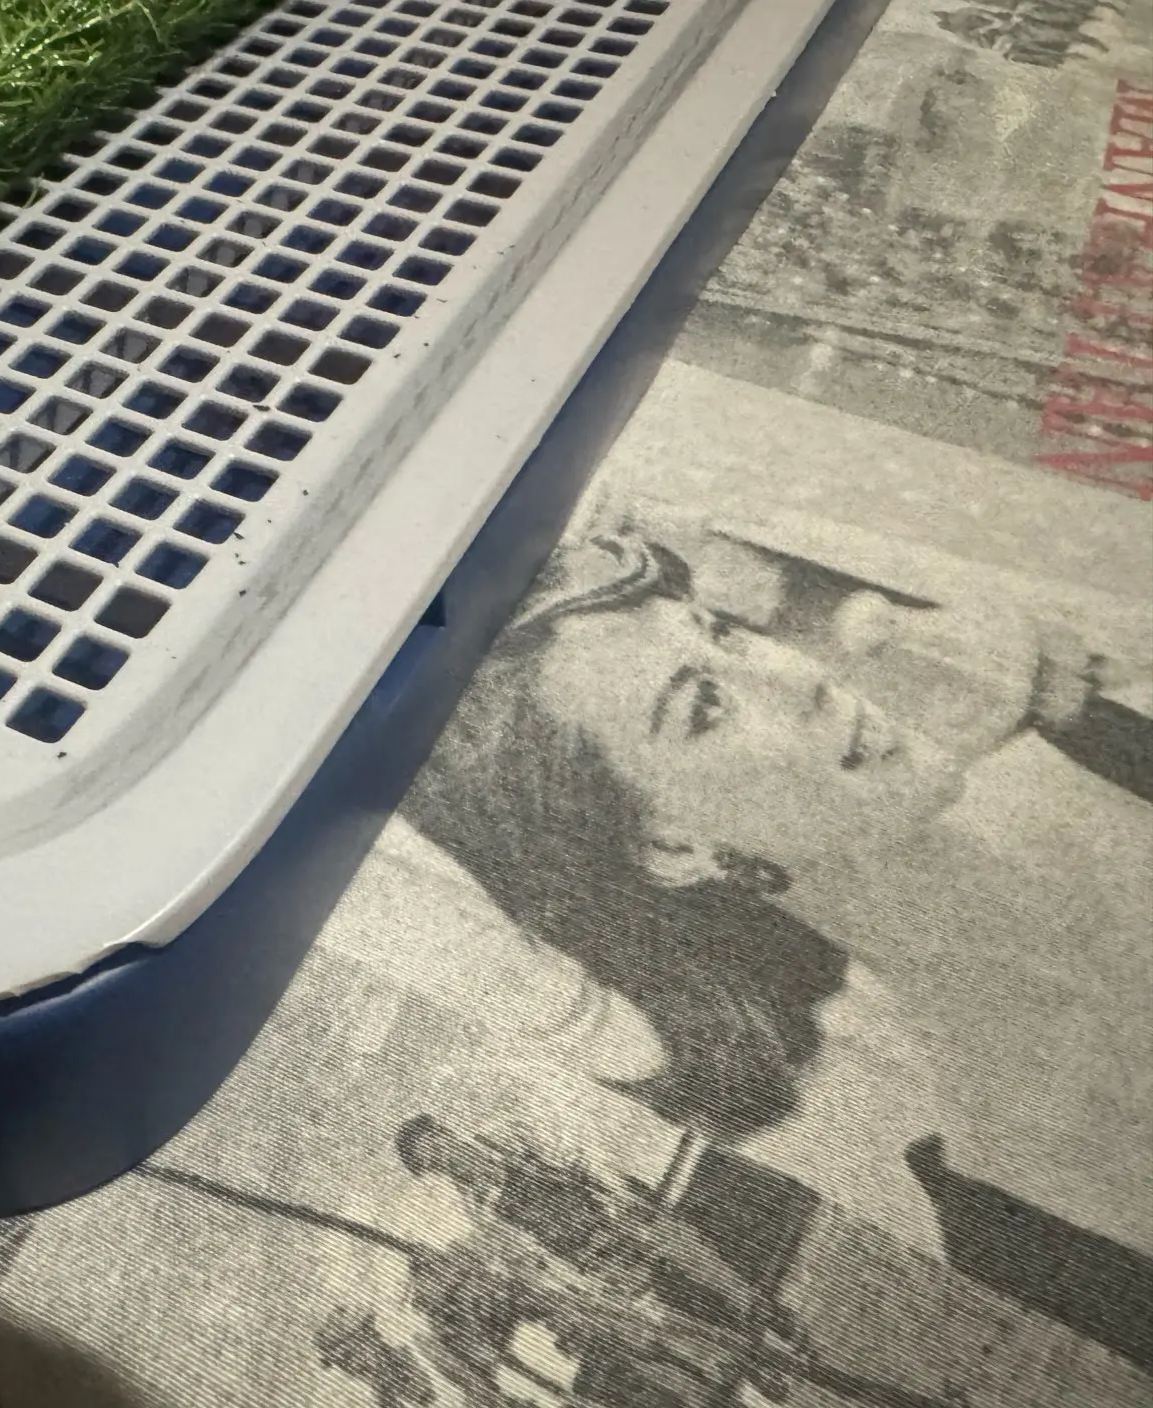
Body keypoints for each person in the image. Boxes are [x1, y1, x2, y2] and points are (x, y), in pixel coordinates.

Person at [401, 527, 1152, 1353]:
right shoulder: (1016, 1225)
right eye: (707, 708)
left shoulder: (1108, 726)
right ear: (671, 847)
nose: (798, 678)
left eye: (723, 635)